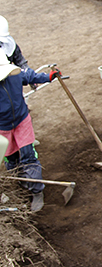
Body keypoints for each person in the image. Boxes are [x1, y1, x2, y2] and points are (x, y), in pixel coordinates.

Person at [0, 53, 60, 211]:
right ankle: (20, 183)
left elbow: (30, 75)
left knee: (28, 155)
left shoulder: (16, 74)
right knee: (10, 157)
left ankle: (36, 191)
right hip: (2, 127)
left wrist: (48, 76)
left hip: (21, 121)